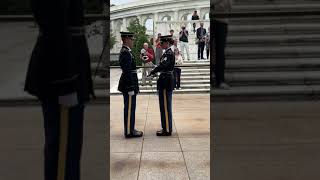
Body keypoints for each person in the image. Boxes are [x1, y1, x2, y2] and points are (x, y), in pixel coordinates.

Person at [24, 0, 95, 179]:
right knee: (63, 149)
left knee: (68, 146)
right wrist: (66, 83)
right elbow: (54, 30)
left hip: (69, 68)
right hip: (62, 73)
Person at [118, 32, 143, 138]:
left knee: (131, 108)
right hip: (129, 84)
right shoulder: (125, 52)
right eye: (132, 40)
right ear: (127, 40)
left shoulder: (128, 52)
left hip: (131, 82)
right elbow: (127, 71)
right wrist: (130, 87)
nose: (133, 41)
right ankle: (129, 131)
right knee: (129, 108)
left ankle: (131, 128)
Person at [148, 35, 175, 136]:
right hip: (165, 80)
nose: (161, 45)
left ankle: (167, 129)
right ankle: (166, 127)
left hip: (165, 81)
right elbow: (163, 66)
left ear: (167, 43)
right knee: (164, 106)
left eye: (162, 43)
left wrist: (154, 70)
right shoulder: (167, 53)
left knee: (165, 106)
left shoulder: (168, 53)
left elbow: (163, 65)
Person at [213, 0, 233, 89]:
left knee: (220, 52)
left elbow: (228, 6)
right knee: (210, 51)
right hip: (213, 20)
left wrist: (214, 5)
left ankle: (220, 80)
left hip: (221, 21)